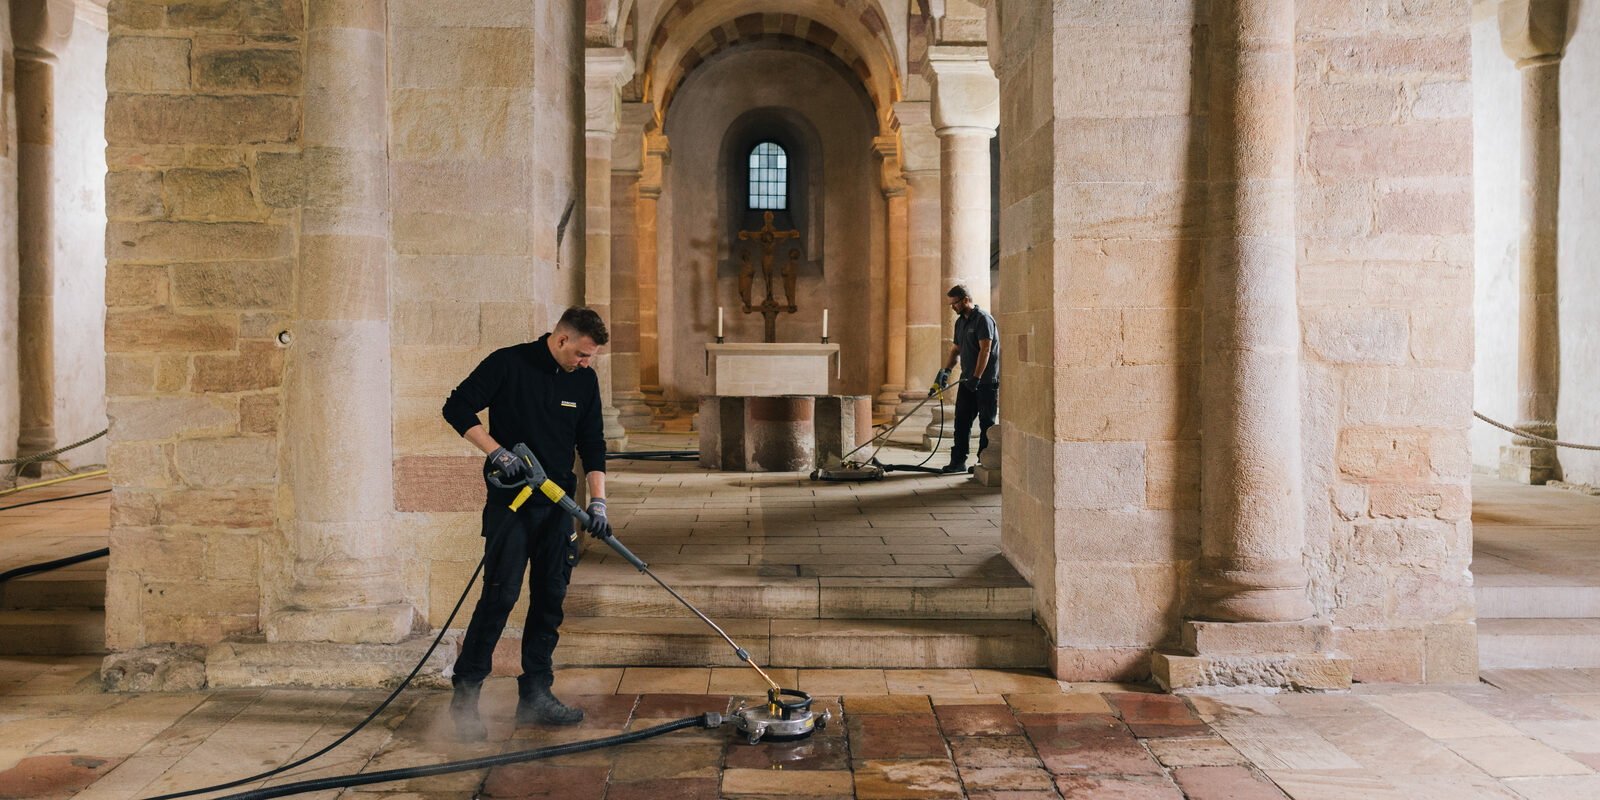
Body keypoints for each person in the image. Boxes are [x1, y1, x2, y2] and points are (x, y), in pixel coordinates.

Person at [440, 306, 614, 740]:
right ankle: (465, 700)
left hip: (558, 508)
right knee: (500, 597)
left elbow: (592, 443)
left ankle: (536, 696)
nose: (586, 363)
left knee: (550, 598)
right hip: (511, 506)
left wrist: (598, 503)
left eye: (590, 357)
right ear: (561, 340)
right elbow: (456, 406)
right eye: (582, 354)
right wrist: (496, 451)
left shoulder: (584, 381)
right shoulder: (508, 363)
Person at [932, 284, 999, 474]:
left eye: (954, 303)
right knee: (961, 421)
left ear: (966, 301)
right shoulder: (960, 323)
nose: (952, 307)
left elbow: (985, 349)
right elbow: (956, 350)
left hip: (985, 383)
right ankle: (958, 461)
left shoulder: (983, 319)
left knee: (986, 423)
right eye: (951, 304)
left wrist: (977, 377)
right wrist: (945, 371)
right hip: (966, 380)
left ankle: (983, 461)